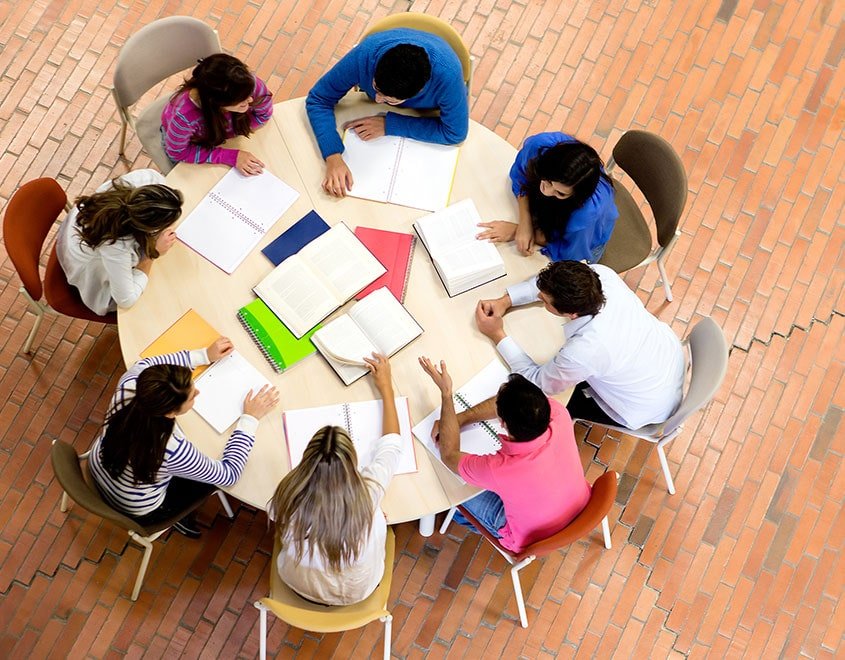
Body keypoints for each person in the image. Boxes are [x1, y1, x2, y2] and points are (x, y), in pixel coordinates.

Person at [88, 339, 279, 537]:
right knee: (208, 481)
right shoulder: (172, 449)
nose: (198, 391)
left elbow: (147, 364)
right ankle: (181, 518)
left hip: (101, 466)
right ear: (170, 413)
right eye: (192, 396)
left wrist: (204, 355)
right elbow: (229, 475)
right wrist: (250, 419)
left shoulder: (131, 384)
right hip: (138, 508)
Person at [475, 260, 685, 430]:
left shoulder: (584, 351)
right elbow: (544, 285)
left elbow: (536, 383)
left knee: (539, 411)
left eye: (544, 301)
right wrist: (506, 301)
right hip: (665, 357)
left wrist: (497, 334)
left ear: (571, 314)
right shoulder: (600, 275)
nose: (538, 297)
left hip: (645, 404)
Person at [419, 357, 591, 552]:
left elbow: (449, 455)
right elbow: (510, 403)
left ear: (502, 423)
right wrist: (458, 419)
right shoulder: (558, 413)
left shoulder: (500, 469)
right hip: (578, 505)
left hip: (530, 537)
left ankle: (461, 519)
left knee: (453, 490)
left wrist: (446, 393)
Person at [269, 353, 402, 605]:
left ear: (306, 460)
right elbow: (392, 445)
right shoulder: (368, 494)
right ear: (352, 464)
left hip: (297, 583)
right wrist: (386, 388)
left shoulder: (287, 494)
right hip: (357, 591)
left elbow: (277, 514)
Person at [306, 28, 469, 197]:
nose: (377, 100)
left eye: (389, 100)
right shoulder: (365, 54)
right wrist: (333, 156)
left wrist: (389, 124)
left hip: (425, 112)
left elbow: (455, 133)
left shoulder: (449, 77)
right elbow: (319, 98)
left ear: (419, 91)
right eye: (375, 88)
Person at [56, 169, 183, 316]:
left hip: (81, 229)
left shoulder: (146, 179)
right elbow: (126, 300)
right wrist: (152, 255)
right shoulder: (116, 246)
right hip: (89, 268)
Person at [477, 133, 618, 263]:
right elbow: (521, 176)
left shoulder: (586, 214)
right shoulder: (541, 146)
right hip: (549, 216)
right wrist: (525, 222)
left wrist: (515, 231)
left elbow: (568, 253)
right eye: (548, 181)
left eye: (560, 193)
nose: (546, 191)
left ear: (576, 196)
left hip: (580, 243)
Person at [161, 53, 273, 175]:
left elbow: (264, 114)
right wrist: (229, 156)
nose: (250, 100)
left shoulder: (247, 83)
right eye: (241, 101)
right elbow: (177, 153)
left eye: (249, 94)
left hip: (220, 136)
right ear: (216, 104)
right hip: (192, 142)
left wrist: (236, 131)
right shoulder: (183, 118)